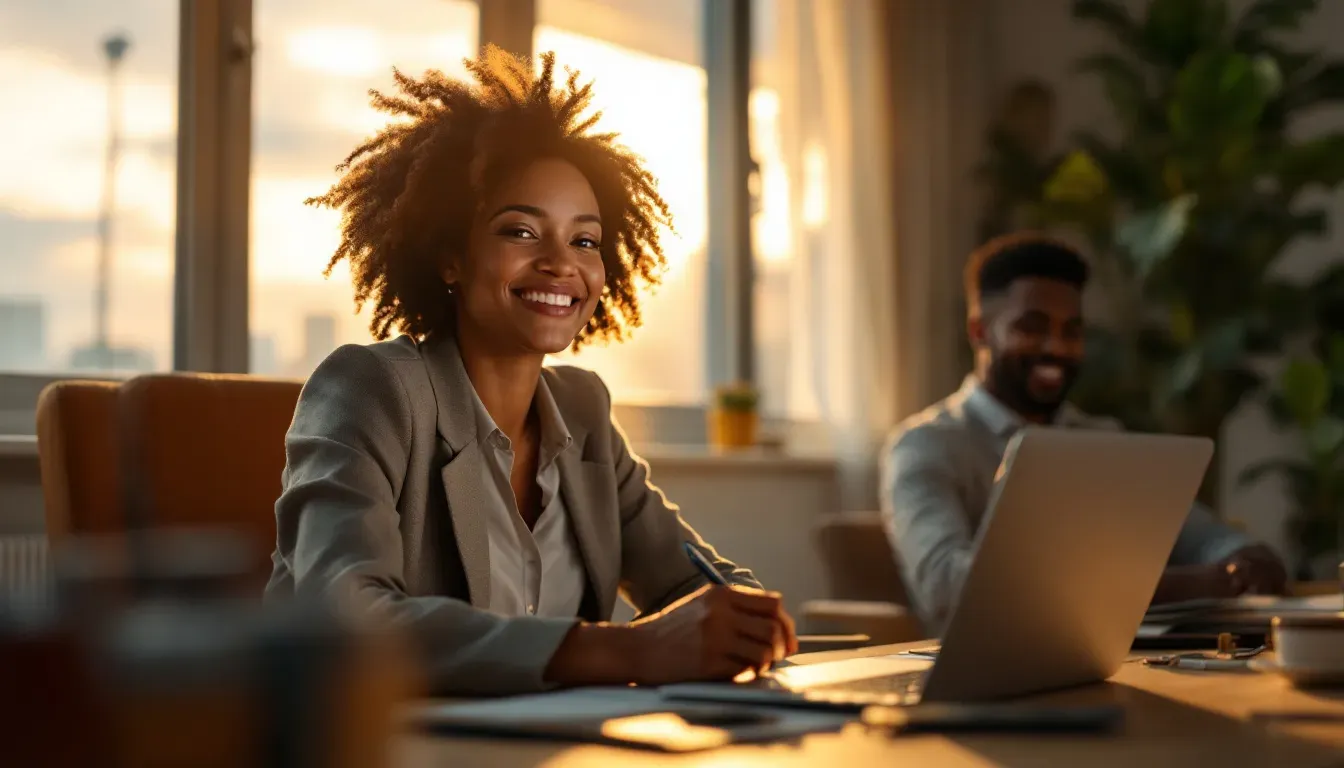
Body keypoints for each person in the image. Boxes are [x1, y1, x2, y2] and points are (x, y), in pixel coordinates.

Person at [265, 47, 796, 695]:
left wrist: (741, 615)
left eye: (585, 240)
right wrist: (625, 651)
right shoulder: (370, 390)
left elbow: (688, 576)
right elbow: (343, 620)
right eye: (520, 231)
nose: (560, 263)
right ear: (451, 258)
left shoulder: (583, 411)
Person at [881, 233, 1287, 636]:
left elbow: (1207, 539)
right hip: (980, 685)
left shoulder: (1103, 440)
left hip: (1110, 668)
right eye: (1032, 327)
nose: (1055, 348)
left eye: (1071, 331)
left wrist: (1243, 562)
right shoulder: (926, 445)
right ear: (979, 332)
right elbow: (947, 588)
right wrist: (1180, 586)